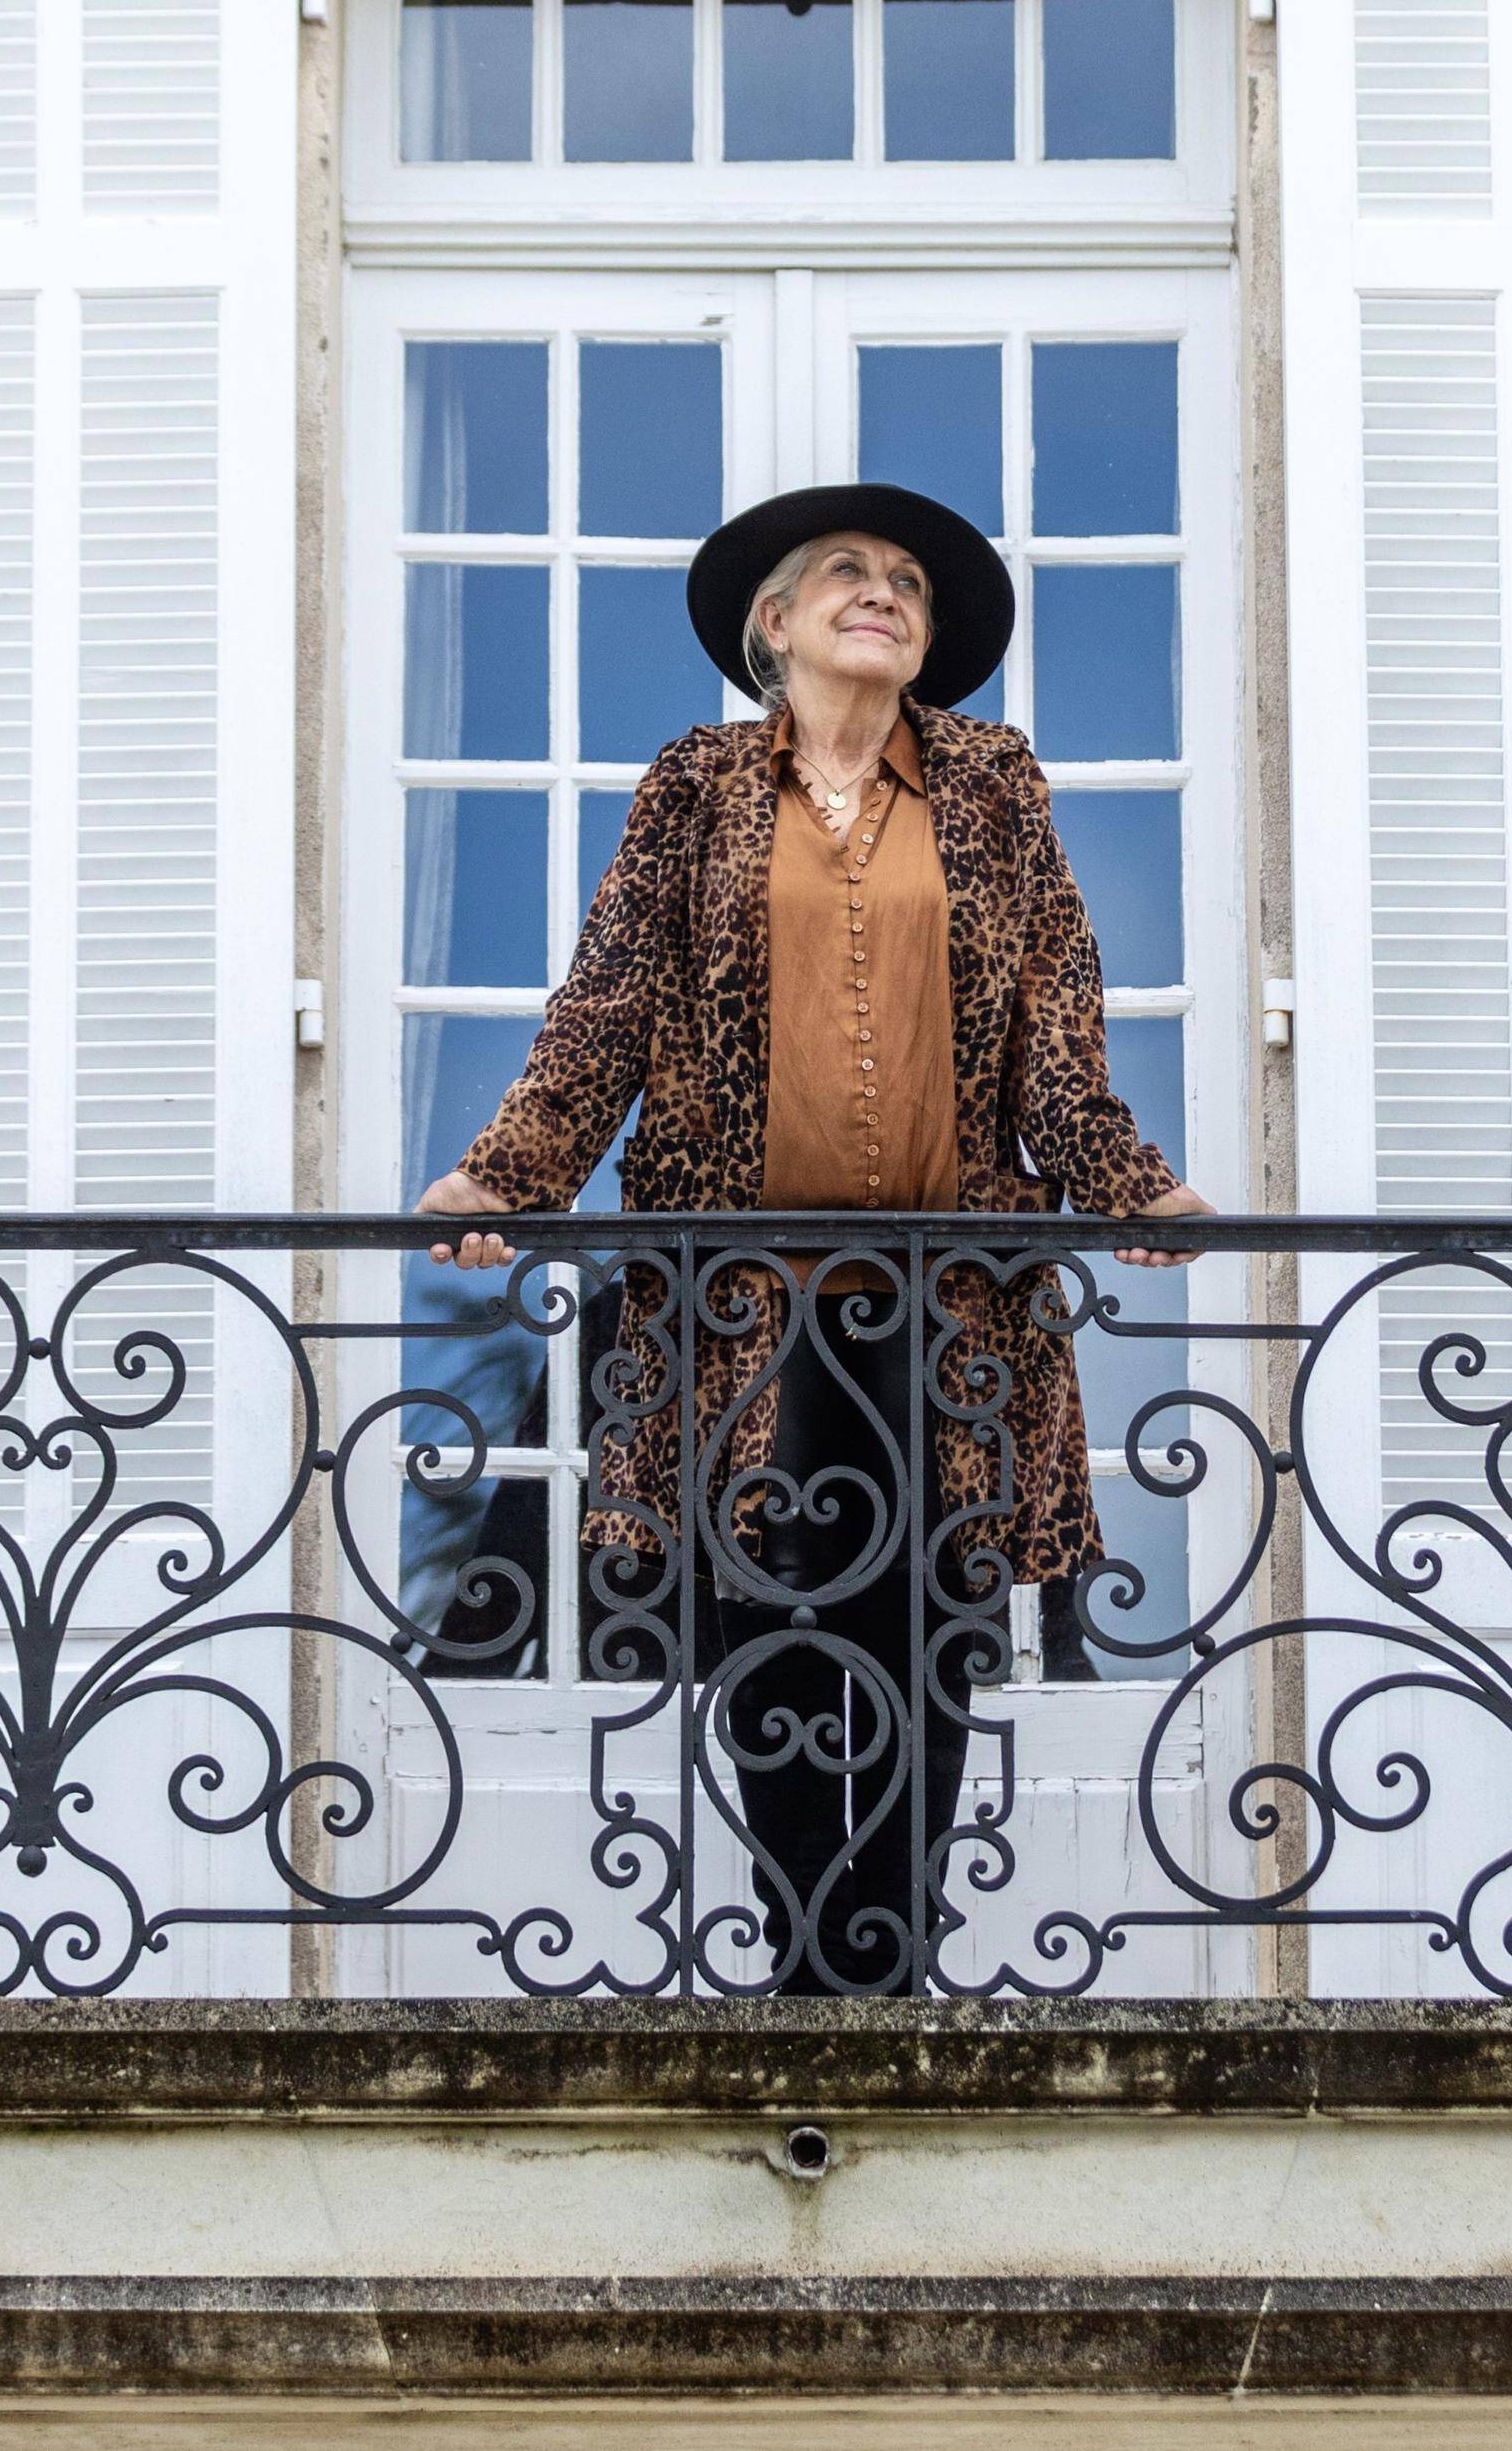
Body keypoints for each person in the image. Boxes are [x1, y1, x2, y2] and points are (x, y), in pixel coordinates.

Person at [415, 480, 1214, 1988]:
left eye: (908, 577)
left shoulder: (994, 786)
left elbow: (1057, 1027)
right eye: (846, 571)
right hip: (738, 1303)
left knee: (940, 1622)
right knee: (769, 1622)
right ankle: (803, 1960)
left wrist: (1128, 1181)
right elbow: (604, 1014)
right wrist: (508, 1175)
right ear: (771, 625)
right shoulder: (694, 789)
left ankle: (891, 1954)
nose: (885, 590)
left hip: (948, 1303)